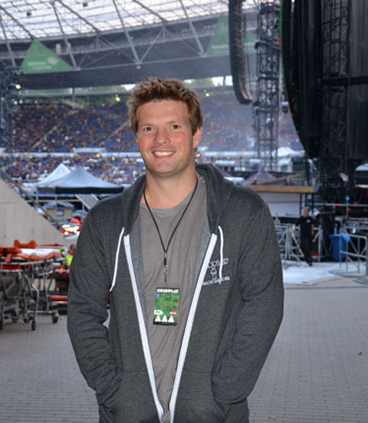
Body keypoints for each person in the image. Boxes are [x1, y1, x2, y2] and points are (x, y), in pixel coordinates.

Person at [67, 77, 284, 423]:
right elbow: (82, 311)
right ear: (137, 138)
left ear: (196, 135)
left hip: (213, 413)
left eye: (174, 126)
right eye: (149, 128)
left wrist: (222, 393)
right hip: (127, 413)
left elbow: (264, 306)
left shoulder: (243, 212)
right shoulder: (105, 223)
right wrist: (114, 392)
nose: (161, 139)